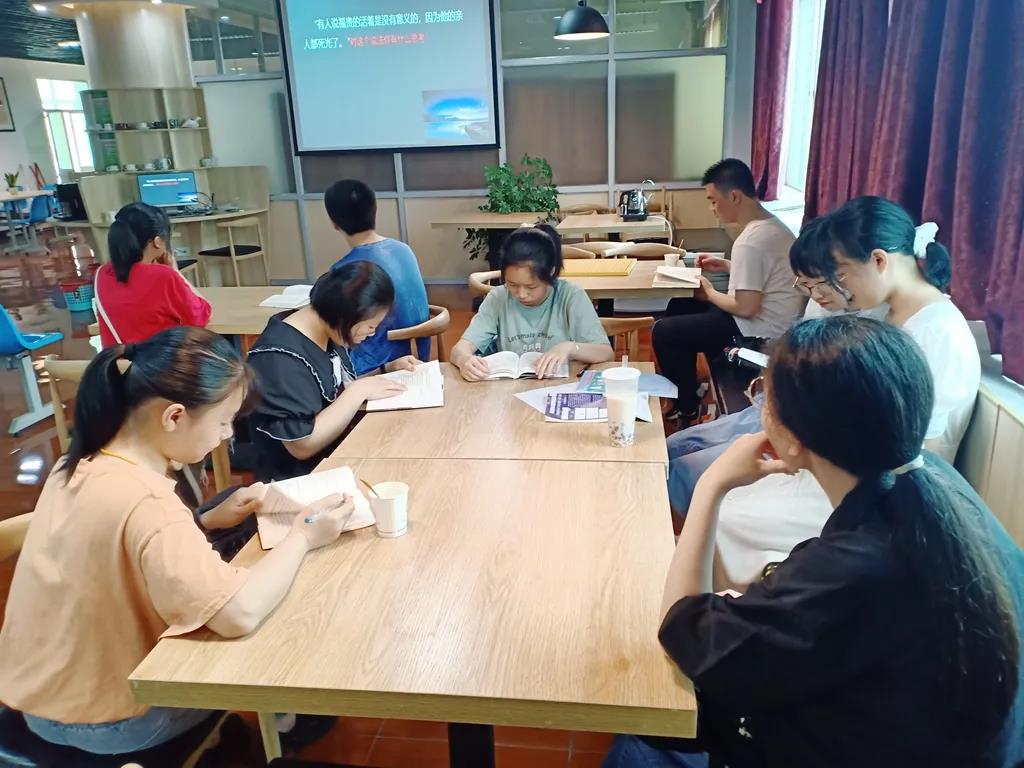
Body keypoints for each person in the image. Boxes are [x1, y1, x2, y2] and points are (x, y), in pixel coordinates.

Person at [605, 316, 1023, 768]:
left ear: (793, 439)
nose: (759, 408)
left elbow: (683, 630)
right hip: (923, 732)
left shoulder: (851, 567)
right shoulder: (934, 485)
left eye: (764, 399)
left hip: (852, 744)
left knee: (651, 727)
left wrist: (713, 485)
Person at [0, 327, 353, 754]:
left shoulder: (76, 464)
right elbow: (238, 613)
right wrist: (303, 536)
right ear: (174, 416)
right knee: (272, 622)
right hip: (108, 720)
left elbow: (120, 541)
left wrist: (204, 520)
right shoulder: (148, 501)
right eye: (223, 421)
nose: (227, 434)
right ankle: (278, 728)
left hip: (37, 695)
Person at [706, 198, 982, 589]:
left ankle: (746, 607)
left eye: (841, 274)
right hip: (851, 467)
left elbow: (916, 448)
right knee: (732, 498)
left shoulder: (936, 333)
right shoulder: (892, 314)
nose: (840, 289)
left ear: (879, 261)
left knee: (729, 514)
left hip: (886, 493)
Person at [652, 159, 805, 423]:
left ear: (734, 196)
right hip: (771, 318)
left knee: (664, 332)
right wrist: (727, 266)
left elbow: (746, 308)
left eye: (713, 200)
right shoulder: (772, 226)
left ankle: (686, 405)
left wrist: (709, 293)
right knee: (681, 304)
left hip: (760, 332)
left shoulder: (751, 240)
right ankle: (689, 388)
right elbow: (767, 277)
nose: (712, 208)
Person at [246, 262, 414, 481]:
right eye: (371, 326)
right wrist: (359, 391)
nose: (371, 333)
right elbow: (302, 445)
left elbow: (334, 389)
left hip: (338, 453)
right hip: (301, 478)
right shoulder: (279, 360)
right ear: (347, 315)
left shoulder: (327, 327)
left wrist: (385, 370)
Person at [450, 224, 613, 381]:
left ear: (551, 273)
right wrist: (465, 360)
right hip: (509, 389)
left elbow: (606, 353)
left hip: (559, 387)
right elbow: (459, 349)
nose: (521, 294)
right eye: (512, 284)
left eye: (531, 287)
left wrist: (570, 348)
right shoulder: (498, 298)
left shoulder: (571, 296)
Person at [326, 179, 430, 374]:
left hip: (377, 364)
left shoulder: (345, 270)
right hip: (416, 353)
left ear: (334, 222)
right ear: (375, 210)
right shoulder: (403, 249)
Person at [94, 202, 211, 348]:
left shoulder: (102, 273)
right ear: (157, 242)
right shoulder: (164, 276)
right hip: (159, 360)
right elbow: (201, 316)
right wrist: (176, 272)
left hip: (118, 360)